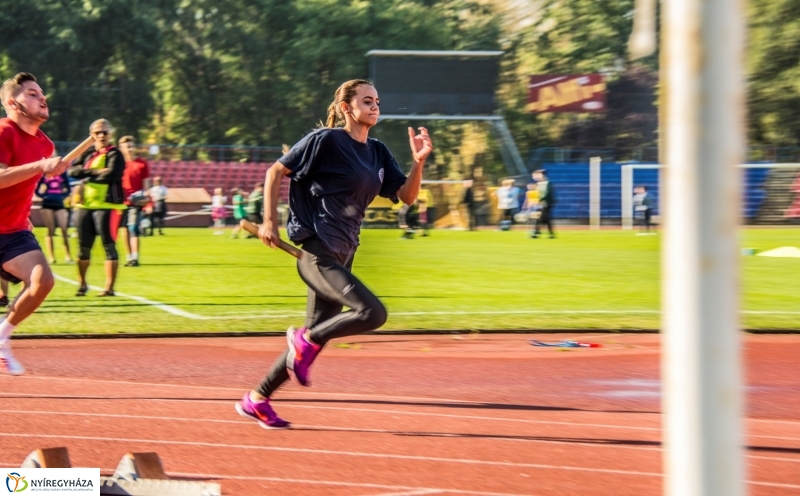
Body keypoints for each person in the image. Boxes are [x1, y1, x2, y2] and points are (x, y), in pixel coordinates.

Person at [235, 79, 432, 428]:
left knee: (314, 336)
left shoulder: (378, 151)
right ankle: (304, 339)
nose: (375, 106)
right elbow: (275, 170)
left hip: (345, 250)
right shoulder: (326, 140)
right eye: (367, 101)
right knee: (372, 313)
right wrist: (269, 221)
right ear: (346, 107)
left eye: (377, 101)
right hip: (318, 249)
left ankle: (257, 398)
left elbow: (406, 196)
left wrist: (418, 163)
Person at [0, 72, 69, 375]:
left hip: (13, 232)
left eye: (41, 92)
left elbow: (24, 185)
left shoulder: (46, 145)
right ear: (13, 103)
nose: (42, 97)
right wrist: (41, 166)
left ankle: (2, 336)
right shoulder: (3, 132)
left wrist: (48, 167)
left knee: (43, 281)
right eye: (32, 93)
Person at [68, 119, 127, 297]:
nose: (101, 135)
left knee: (109, 246)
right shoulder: (88, 154)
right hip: (85, 205)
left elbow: (112, 175)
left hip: (108, 206)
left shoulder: (116, 154)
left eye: (105, 132)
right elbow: (72, 171)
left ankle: (109, 288)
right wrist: (96, 172)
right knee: (83, 247)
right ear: (91, 135)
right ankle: (82, 284)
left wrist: (87, 175)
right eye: (97, 132)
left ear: (111, 134)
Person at [118, 136, 150, 266]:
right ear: (121, 149)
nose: (130, 149)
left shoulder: (142, 164)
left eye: (132, 146)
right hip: (120, 202)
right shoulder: (118, 165)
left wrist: (147, 199)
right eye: (127, 146)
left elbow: (146, 185)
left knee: (133, 228)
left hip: (135, 202)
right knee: (124, 230)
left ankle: (135, 258)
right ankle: (128, 256)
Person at [36, 169, 73, 264]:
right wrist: (44, 195)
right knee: (50, 230)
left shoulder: (62, 173)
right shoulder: (44, 173)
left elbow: (68, 188)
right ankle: (52, 257)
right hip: (47, 204)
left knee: (64, 229)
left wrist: (62, 196)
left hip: (59, 204)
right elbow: (37, 188)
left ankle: (68, 256)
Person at [532, 169, 556, 239]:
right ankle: (551, 234)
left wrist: (540, 199)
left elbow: (547, 193)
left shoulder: (548, 182)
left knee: (541, 218)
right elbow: (538, 193)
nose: (534, 177)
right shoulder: (538, 183)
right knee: (545, 219)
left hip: (547, 203)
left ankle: (536, 232)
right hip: (542, 202)